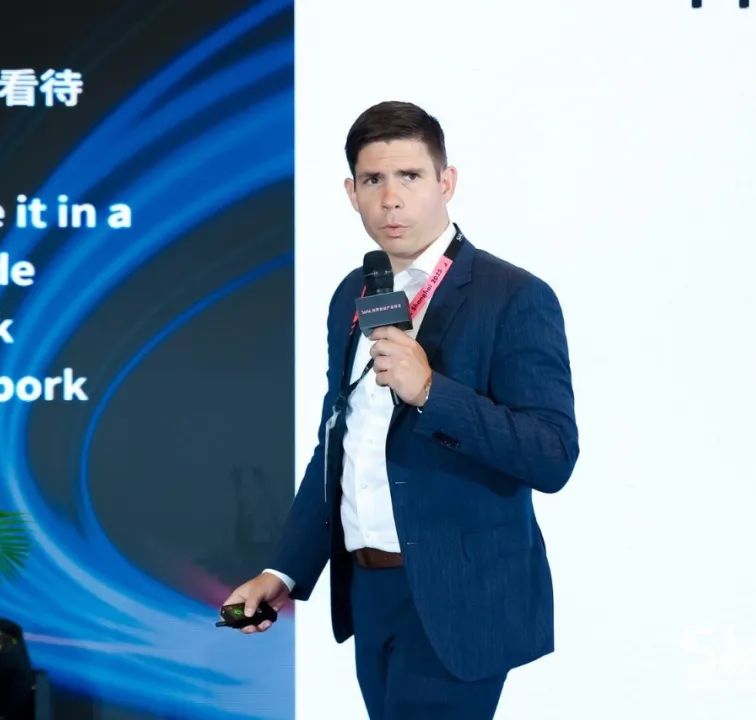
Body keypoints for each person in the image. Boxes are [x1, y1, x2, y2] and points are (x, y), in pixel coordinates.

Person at [222, 100, 579, 720]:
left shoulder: (513, 296)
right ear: (351, 193)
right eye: (373, 180)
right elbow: (338, 444)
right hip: (370, 592)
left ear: (447, 182)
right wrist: (283, 572)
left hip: (460, 597)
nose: (391, 199)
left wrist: (432, 391)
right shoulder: (353, 295)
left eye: (410, 176)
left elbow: (552, 455)